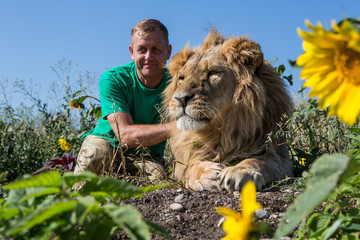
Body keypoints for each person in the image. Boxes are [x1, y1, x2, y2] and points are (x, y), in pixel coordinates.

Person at [74, 19, 175, 179]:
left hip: (146, 156)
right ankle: (75, 200)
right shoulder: (113, 79)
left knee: (158, 177)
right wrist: (177, 127)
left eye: (156, 49)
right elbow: (125, 137)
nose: (148, 56)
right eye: (142, 49)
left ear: (168, 51)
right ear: (131, 52)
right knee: (94, 155)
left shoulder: (178, 82)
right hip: (108, 144)